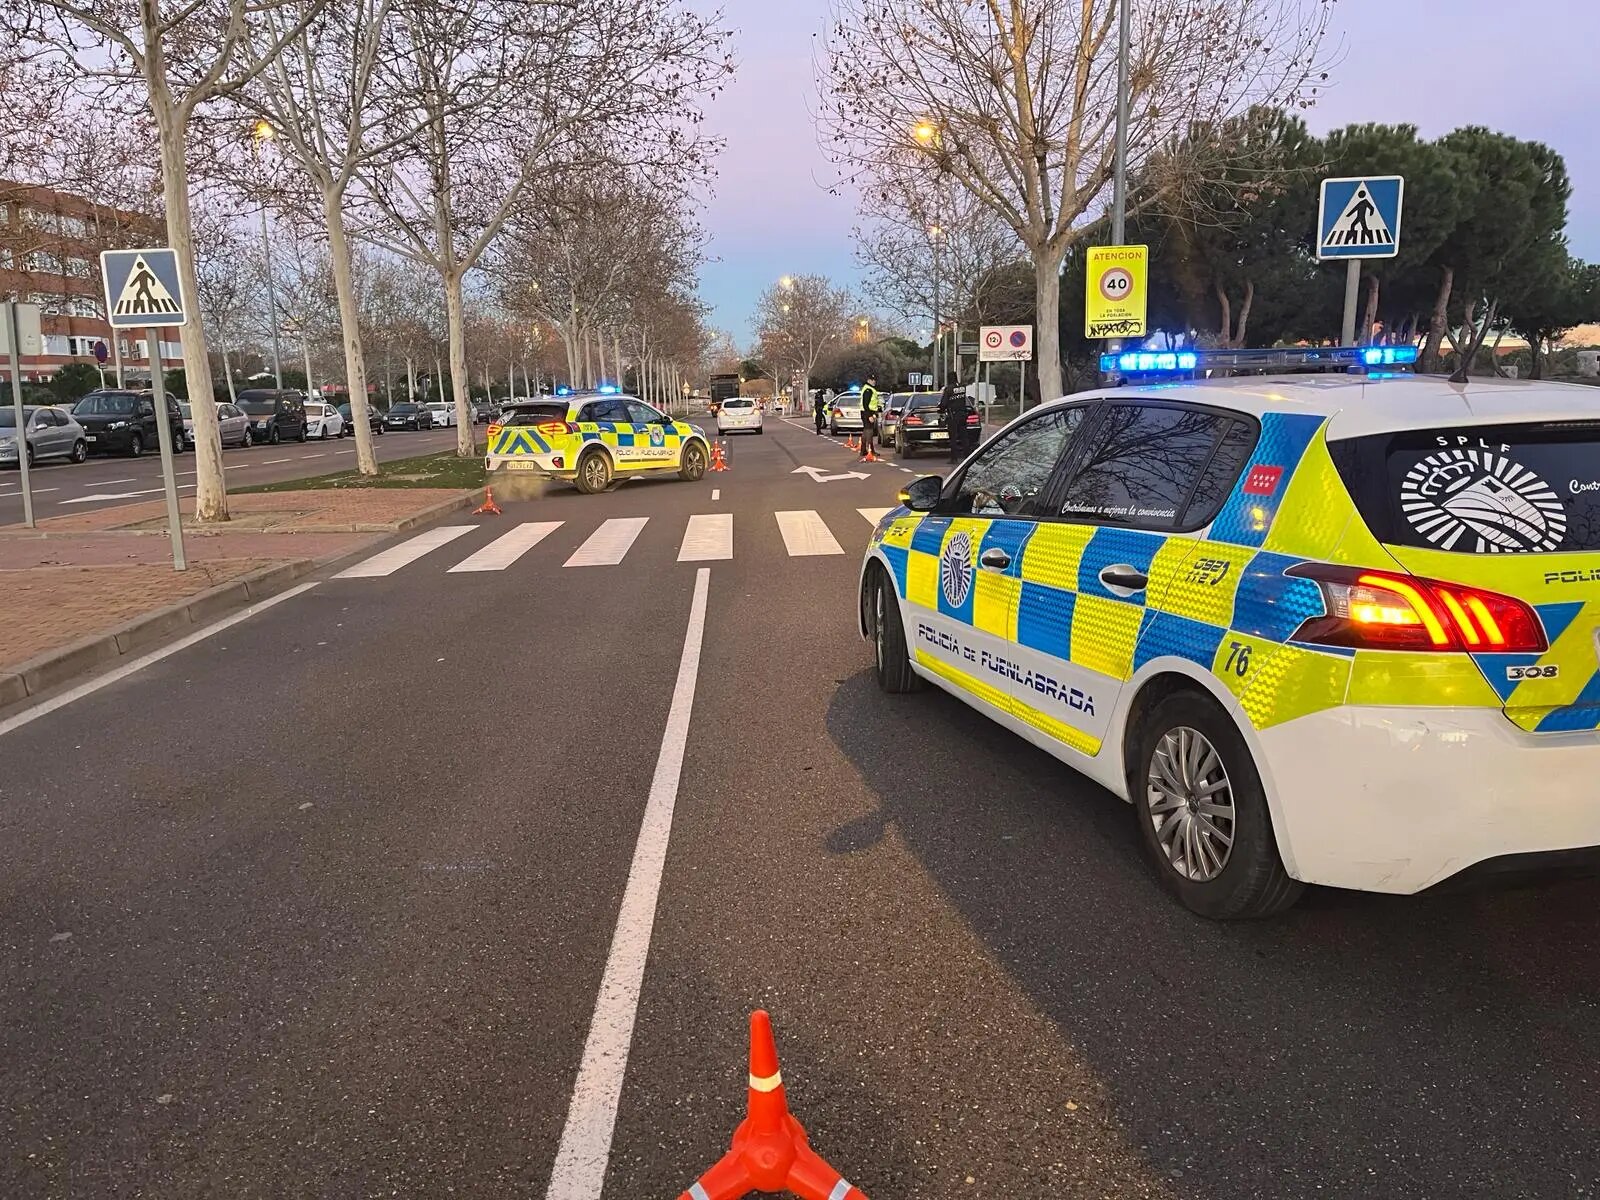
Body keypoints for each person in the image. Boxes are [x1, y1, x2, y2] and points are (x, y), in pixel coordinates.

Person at [937, 381, 967, 463]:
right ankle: (968, 457)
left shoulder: (949, 389)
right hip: (963, 414)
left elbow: (944, 403)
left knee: (953, 438)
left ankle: (954, 458)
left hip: (953, 416)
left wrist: (940, 409)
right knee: (964, 437)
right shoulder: (962, 387)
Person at [858, 374, 881, 460]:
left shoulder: (869, 389)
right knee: (869, 432)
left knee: (866, 431)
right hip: (867, 413)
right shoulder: (868, 390)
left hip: (867, 412)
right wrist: (870, 415)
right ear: (868, 380)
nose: (874, 381)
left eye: (874, 380)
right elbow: (865, 404)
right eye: (872, 380)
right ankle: (871, 450)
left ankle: (863, 450)